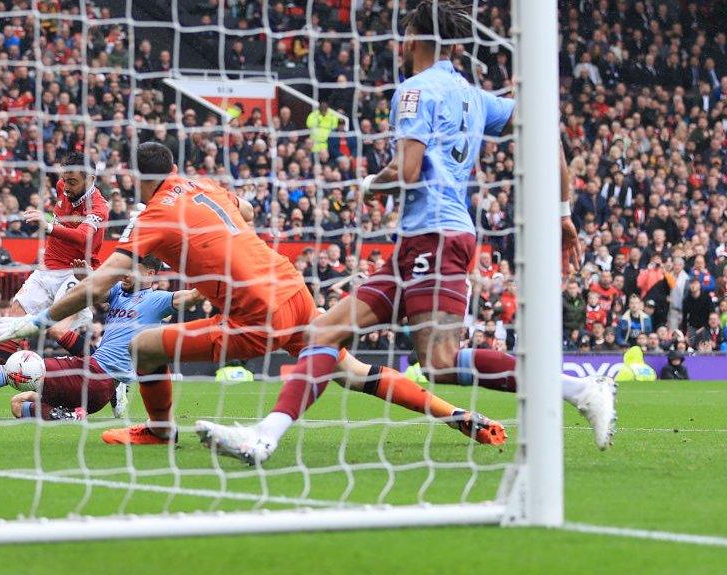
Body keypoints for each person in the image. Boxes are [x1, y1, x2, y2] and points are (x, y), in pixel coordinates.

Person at [191, 0, 615, 463]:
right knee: (323, 334)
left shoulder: (414, 91)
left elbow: (408, 170)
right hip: (422, 242)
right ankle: (264, 436)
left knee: (441, 365)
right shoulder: (474, 96)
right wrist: (563, 212)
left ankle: (578, 389)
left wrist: (372, 184)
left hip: (434, 239)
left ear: (412, 39)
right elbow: (544, 122)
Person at [0, 142, 509, 450]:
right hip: (290, 286)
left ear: (137, 178)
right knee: (348, 370)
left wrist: (34, 322)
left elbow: (99, 282)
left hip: (255, 310)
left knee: (144, 346)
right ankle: (460, 416)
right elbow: (246, 209)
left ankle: (158, 429)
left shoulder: (153, 216)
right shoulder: (204, 186)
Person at [0, 256, 202, 419]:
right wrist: (83, 274)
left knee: (18, 366)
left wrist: (218, 276)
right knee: (18, 407)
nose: (125, 272)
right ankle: (67, 415)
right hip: (94, 392)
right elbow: (94, 288)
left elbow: (190, 297)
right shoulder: (117, 293)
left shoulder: (158, 300)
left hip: (95, 374)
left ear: (151, 273)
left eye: (133, 268)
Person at [0, 153, 110, 414]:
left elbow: (84, 237)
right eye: (64, 179)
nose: (66, 185)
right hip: (47, 269)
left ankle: (108, 377)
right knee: (11, 324)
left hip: (78, 272)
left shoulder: (99, 206)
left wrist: (48, 227)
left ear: (90, 178)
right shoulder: (62, 187)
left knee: (58, 331)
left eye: (72, 181)